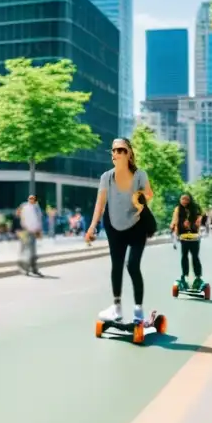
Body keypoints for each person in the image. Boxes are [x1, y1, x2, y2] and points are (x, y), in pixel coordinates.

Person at [85, 138, 154, 322]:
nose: (116, 153)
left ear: (129, 153)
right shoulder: (106, 177)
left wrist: (140, 196)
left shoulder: (139, 175)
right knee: (116, 265)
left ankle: (138, 311)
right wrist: (92, 226)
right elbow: (100, 204)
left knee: (132, 265)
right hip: (113, 226)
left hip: (137, 226)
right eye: (114, 150)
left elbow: (149, 194)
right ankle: (116, 308)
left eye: (121, 150)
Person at [171, 192, 204, 290]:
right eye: (182, 199)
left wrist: (194, 223)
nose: (184, 201)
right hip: (183, 237)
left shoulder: (195, 209)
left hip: (194, 237)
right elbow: (174, 221)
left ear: (190, 200)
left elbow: (200, 219)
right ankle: (184, 275)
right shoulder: (178, 209)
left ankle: (198, 277)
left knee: (195, 257)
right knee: (184, 256)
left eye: (186, 199)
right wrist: (174, 227)